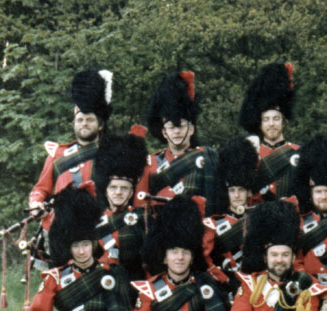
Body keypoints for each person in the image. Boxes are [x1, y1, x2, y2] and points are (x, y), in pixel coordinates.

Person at [29, 69, 113, 215]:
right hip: (64, 223)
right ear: (73, 124)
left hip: (101, 222)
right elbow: (41, 189)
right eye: (80, 120)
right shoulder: (57, 155)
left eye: (90, 120)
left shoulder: (112, 153)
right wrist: (36, 203)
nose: (84, 124)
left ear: (100, 125)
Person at [136, 71, 220, 216]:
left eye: (180, 126)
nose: (176, 132)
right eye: (171, 127)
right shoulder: (150, 163)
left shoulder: (205, 158)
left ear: (191, 129)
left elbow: (215, 204)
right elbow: (140, 208)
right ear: (164, 132)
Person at [202, 136, 260, 288]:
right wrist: (225, 280)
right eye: (232, 190)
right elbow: (205, 259)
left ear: (248, 192)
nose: (236, 195)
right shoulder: (213, 223)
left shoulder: (260, 217)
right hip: (227, 284)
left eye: (241, 190)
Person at [92, 128, 149, 282]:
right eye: (113, 187)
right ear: (106, 189)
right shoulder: (94, 219)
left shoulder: (142, 218)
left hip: (132, 282)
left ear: (131, 193)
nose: (118, 192)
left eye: (124, 188)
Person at [289, 134, 327, 285]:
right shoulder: (299, 223)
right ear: (311, 194)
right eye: (319, 192)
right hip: (308, 289)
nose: (324, 197)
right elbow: (295, 262)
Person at [238, 62, 299, 199]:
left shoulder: (297, 153)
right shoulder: (250, 154)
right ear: (260, 124)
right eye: (266, 120)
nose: (271, 124)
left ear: (284, 122)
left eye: (276, 119)